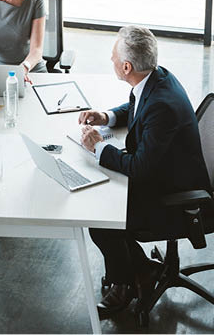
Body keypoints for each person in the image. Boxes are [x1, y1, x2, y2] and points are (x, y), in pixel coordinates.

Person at [78, 26, 213, 318]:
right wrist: (108, 116)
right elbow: (137, 104)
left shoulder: (162, 106)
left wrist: (99, 148)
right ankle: (142, 271)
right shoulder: (157, 77)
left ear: (126, 66)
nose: (110, 58)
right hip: (171, 173)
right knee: (104, 200)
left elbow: (138, 168)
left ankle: (126, 283)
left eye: (113, 56)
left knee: (101, 219)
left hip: (177, 199)